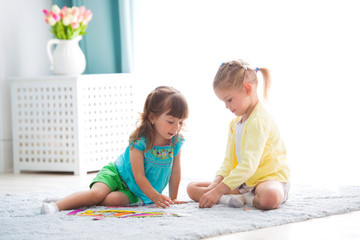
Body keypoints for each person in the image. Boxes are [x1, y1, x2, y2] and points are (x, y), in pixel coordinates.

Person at [41, 86, 189, 214]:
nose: (176, 127)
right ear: (152, 117)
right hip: (116, 175)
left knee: (111, 201)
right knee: (96, 195)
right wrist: (155, 196)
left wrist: (173, 197)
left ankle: (71, 200)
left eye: (181, 122)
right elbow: (139, 175)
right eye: (171, 121)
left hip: (135, 191)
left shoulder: (176, 142)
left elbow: (175, 171)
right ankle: (56, 205)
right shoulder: (140, 140)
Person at [187, 59, 290, 210]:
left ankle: (243, 199)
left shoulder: (259, 120)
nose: (227, 107)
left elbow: (249, 166)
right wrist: (215, 185)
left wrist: (218, 191)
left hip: (268, 180)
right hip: (245, 183)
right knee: (192, 187)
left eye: (229, 100)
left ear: (247, 90)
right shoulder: (235, 124)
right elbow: (228, 162)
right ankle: (235, 198)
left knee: (270, 198)